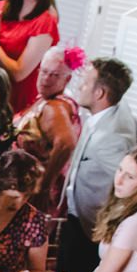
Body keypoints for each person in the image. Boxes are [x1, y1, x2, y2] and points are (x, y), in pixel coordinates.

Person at [58, 56, 137, 272]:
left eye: (85, 83)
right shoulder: (116, 111)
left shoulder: (111, 138)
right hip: (76, 217)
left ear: (100, 93)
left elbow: (134, 180)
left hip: (89, 228)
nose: (79, 86)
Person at [13, 45, 84, 212]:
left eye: (55, 75)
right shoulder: (45, 99)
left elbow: (66, 143)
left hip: (30, 194)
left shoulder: (55, 107)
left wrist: (42, 187)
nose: (46, 79)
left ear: (67, 80)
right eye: (44, 71)